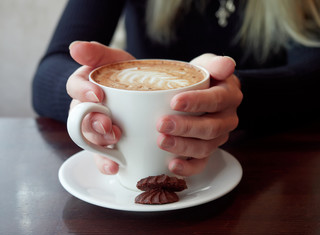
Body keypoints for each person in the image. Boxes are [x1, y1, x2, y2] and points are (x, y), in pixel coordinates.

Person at [32, 0, 320, 177]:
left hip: (262, 173)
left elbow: (312, 72)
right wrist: (88, 97)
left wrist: (233, 95)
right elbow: (49, 72)